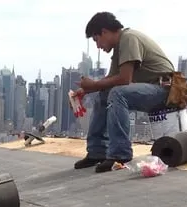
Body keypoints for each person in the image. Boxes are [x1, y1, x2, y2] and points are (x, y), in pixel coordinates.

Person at [74, 12, 181, 172]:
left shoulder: (129, 38)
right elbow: (108, 81)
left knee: (117, 93)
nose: (98, 46)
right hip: (151, 90)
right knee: (104, 95)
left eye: (97, 40)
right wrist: (85, 90)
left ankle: (120, 154)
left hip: (164, 91)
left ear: (104, 32)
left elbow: (125, 79)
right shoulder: (119, 48)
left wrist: (94, 84)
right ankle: (97, 152)